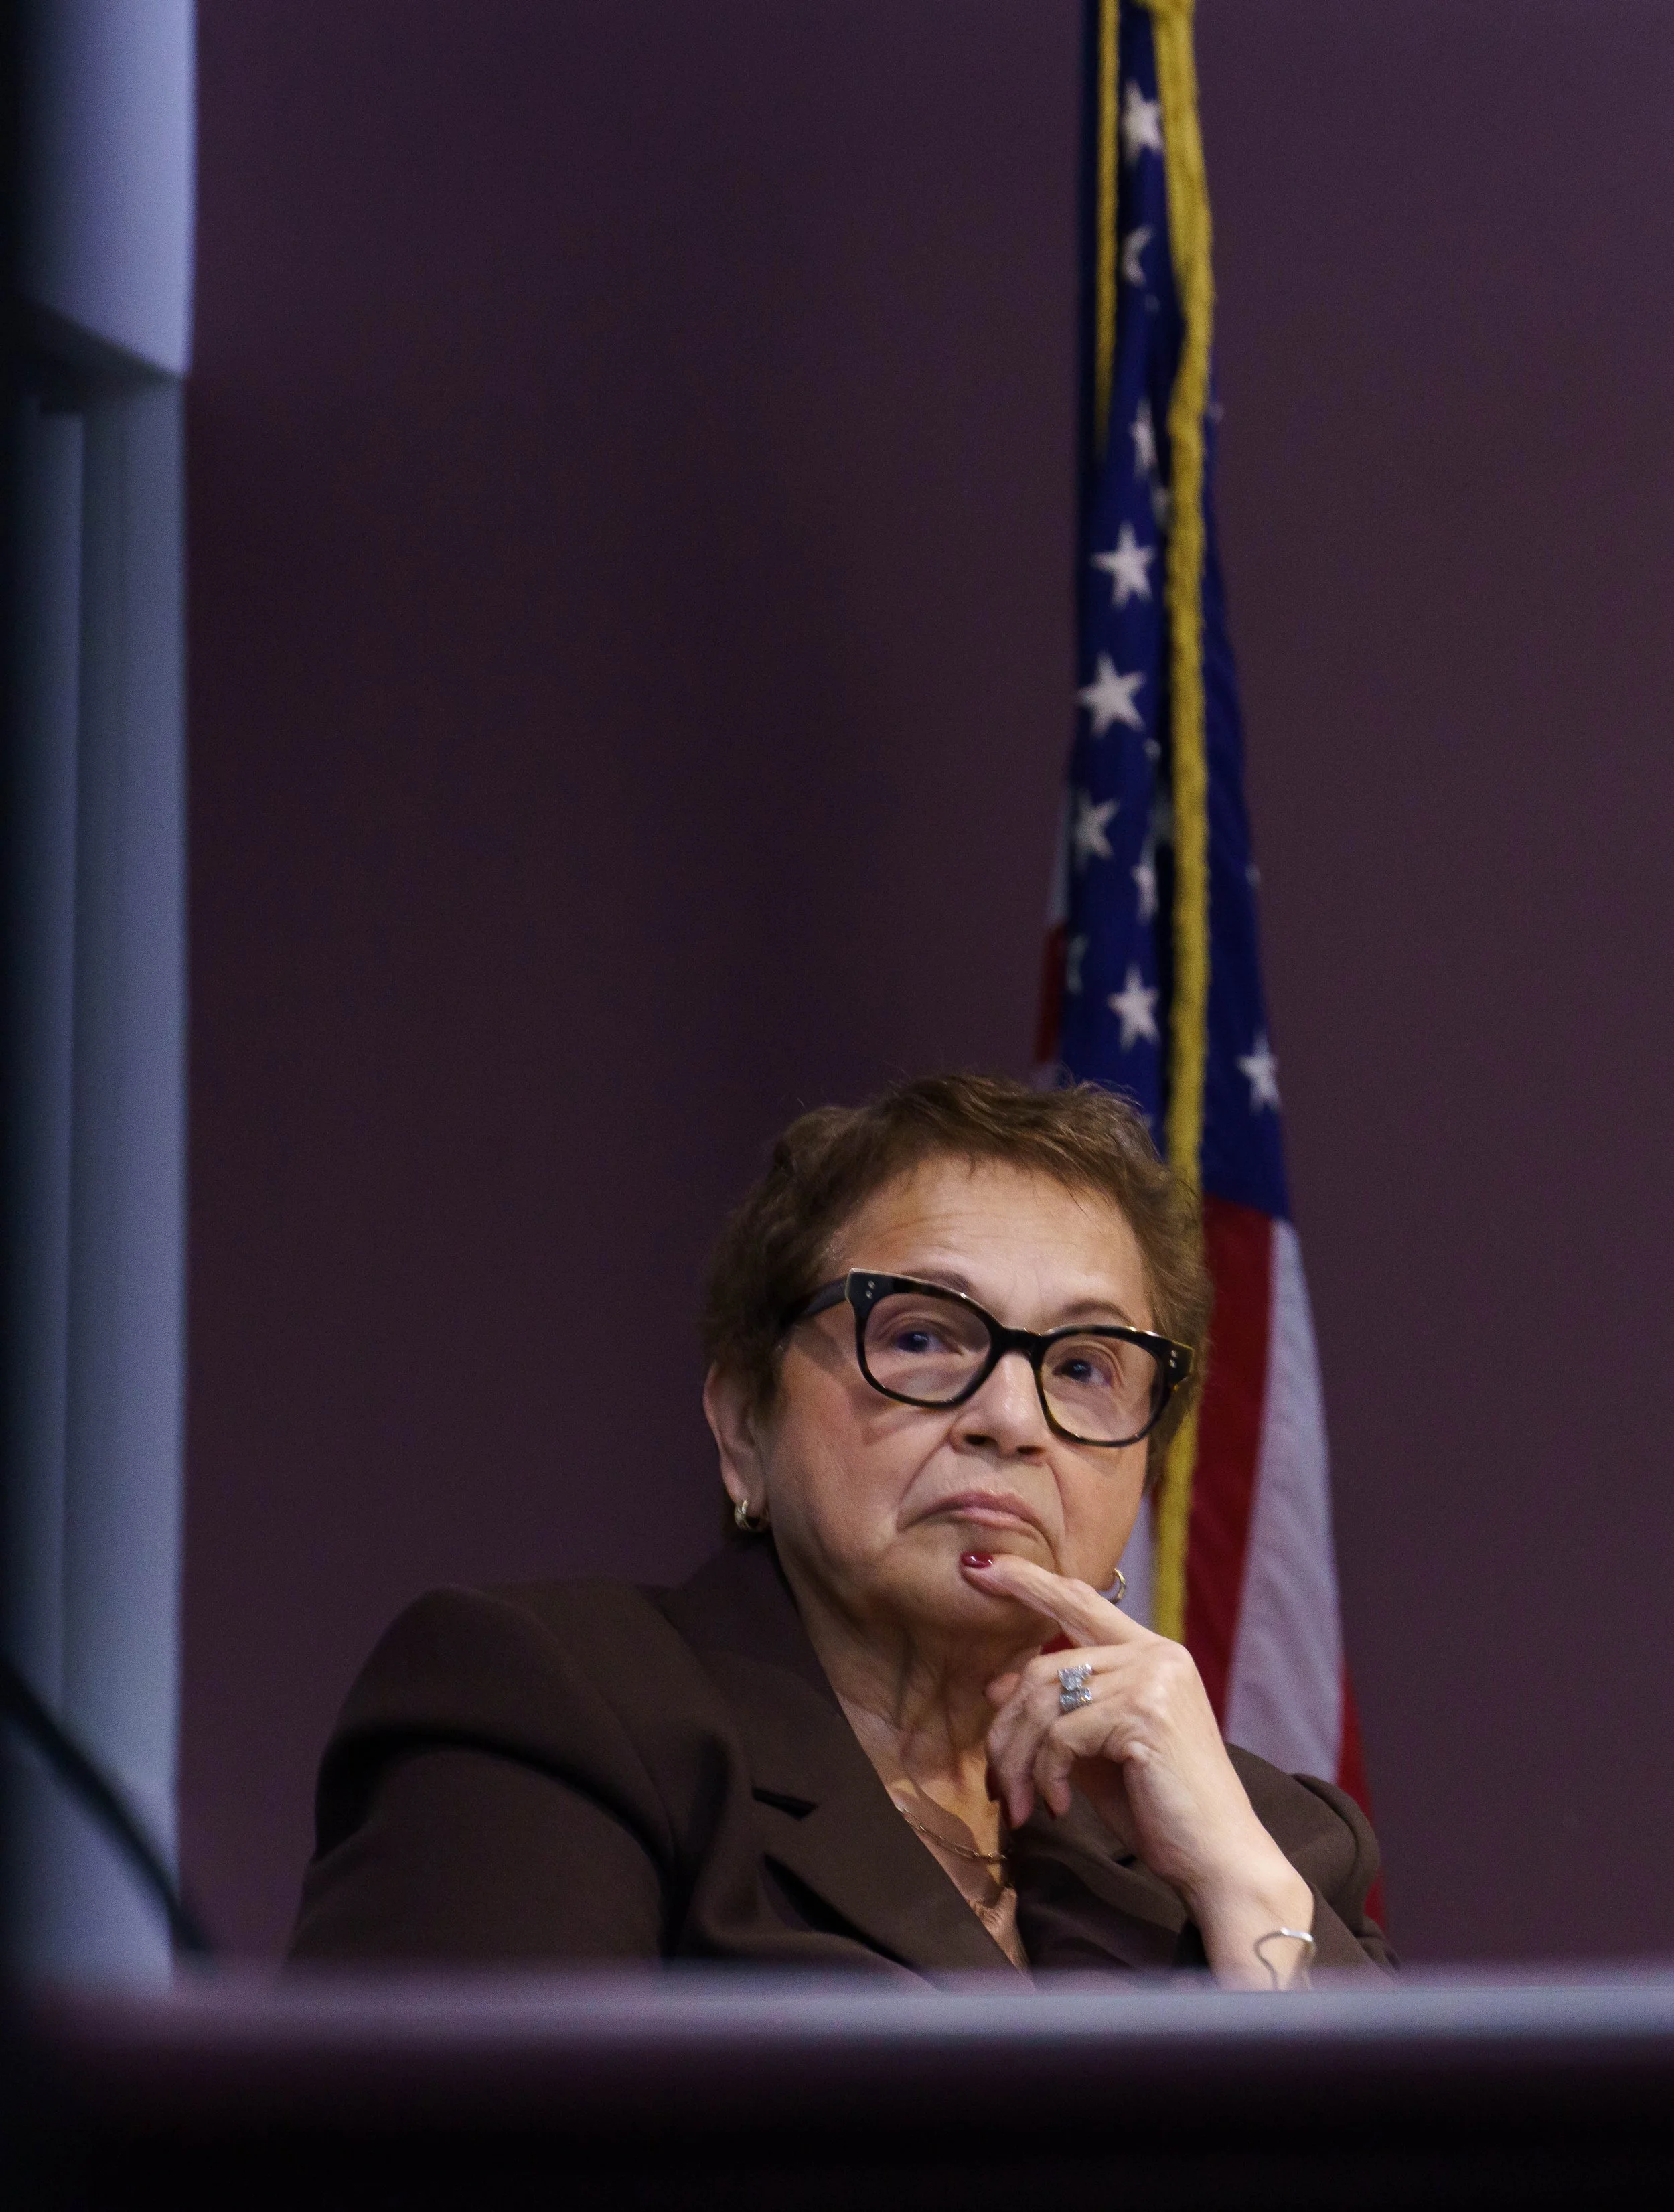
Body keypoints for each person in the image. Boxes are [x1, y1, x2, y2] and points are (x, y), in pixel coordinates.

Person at [289, 1074, 1390, 1982]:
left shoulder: (1269, 1840)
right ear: (744, 1426)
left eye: (1086, 1366)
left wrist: (1242, 1888)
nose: (1010, 1418)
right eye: (920, 1338)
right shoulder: (553, 1712)